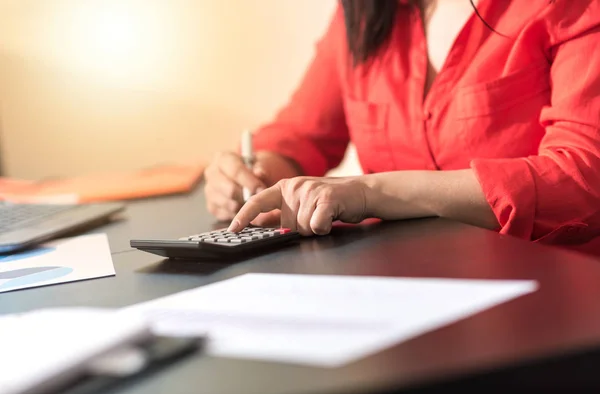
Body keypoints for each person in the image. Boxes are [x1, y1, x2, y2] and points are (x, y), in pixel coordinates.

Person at [203, 0, 600, 245]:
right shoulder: (362, 12)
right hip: (401, 290)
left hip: (552, 295)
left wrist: (370, 193)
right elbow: (304, 132)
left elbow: (581, 177)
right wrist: (258, 175)